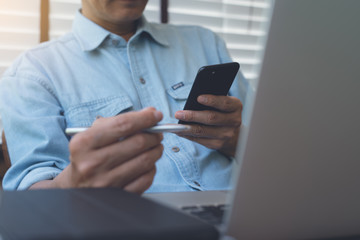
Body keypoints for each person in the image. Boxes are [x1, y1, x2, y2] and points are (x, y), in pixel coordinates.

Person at [0, 0, 248, 193]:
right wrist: (70, 187)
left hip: (241, 215)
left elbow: (272, 151)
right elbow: (30, 197)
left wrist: (237, 142)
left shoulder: (206, 42)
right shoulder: (32, 71)